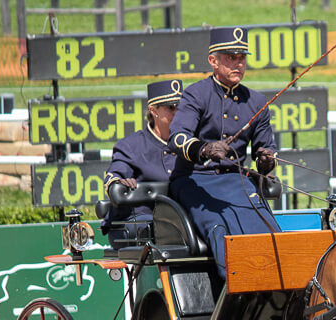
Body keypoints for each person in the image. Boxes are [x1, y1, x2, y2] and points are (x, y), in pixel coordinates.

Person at [167, 26, 280, 280]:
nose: (238, 64)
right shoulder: (196, 94)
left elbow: (266, 149)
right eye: (231, 58)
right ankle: (235, 289)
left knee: (267, 228)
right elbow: (177, 138)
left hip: (236, 181)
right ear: (213, 61)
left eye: (242, 58)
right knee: (223, 227)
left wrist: (266, 160)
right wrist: (205, 149)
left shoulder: (257, 102)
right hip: (195, 179)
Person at [101, 79, 184, 248]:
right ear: (153, 110)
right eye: (170, 107)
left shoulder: (189, 144)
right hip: (140, 220)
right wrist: (119, 183)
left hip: (182, 218)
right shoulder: (132, 146)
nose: (177, 112)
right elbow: (114, 175)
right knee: (159, 229)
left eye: (180, 107)